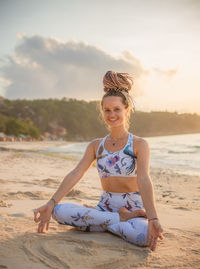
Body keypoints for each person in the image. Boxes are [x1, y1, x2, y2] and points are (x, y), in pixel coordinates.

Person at [33, 70, 163, 251]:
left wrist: (153, 218)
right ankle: (117, 220)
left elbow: (143, 179)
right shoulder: (96, 145)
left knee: (143, 237)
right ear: (102, 112)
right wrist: (50, 202)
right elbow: (76, 173)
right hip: (104, 207)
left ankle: (98, 223)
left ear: (127, 110)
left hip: (134, 208)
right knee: (57, 211)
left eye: (117, 109)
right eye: (107, 110)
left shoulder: (139, 144)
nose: (112, 114)